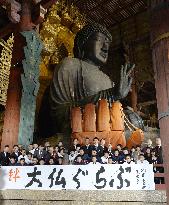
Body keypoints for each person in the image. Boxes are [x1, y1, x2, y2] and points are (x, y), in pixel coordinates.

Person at [39, 23, 134, 136]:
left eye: (108, 44)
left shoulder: (108, 79)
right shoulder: (70, 65)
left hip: (109, 132)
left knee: (134, 120)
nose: (105, 48)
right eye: (99, 40)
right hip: (81, 131)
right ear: (83, 43)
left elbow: (114, 116)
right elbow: (60, 115)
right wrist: (110, 94)